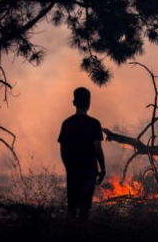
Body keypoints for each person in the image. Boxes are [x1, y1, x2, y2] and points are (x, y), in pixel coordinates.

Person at [58, 87, 106, 221]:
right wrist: (103, 169)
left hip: (73, 170)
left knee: (71, 207)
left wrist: (69, 167)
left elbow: (62, 150)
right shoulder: (94, 124)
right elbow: (98, 149)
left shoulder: (67, 123)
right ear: (89, 104)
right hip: (89, 171)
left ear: (74, 102)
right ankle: (83, 234)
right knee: (85, 208)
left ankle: (70, 234)